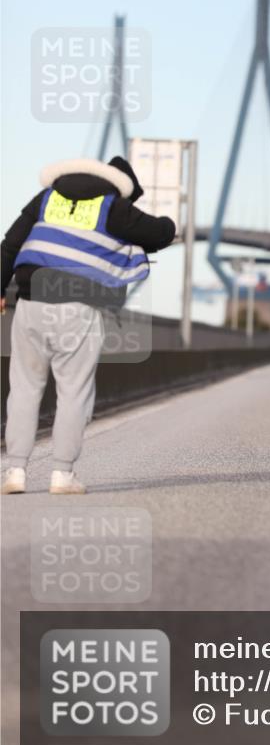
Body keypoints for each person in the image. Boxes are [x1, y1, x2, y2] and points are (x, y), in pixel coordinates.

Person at [0, 157, 176, 495]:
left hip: (30, 302)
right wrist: (171, 223)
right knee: (73, 391)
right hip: (77, 307)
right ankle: (61, 475)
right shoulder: (112, 207)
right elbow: (158, 233)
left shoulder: (47, 198)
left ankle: (15, 472)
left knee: (23, 387)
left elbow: (10, 243)